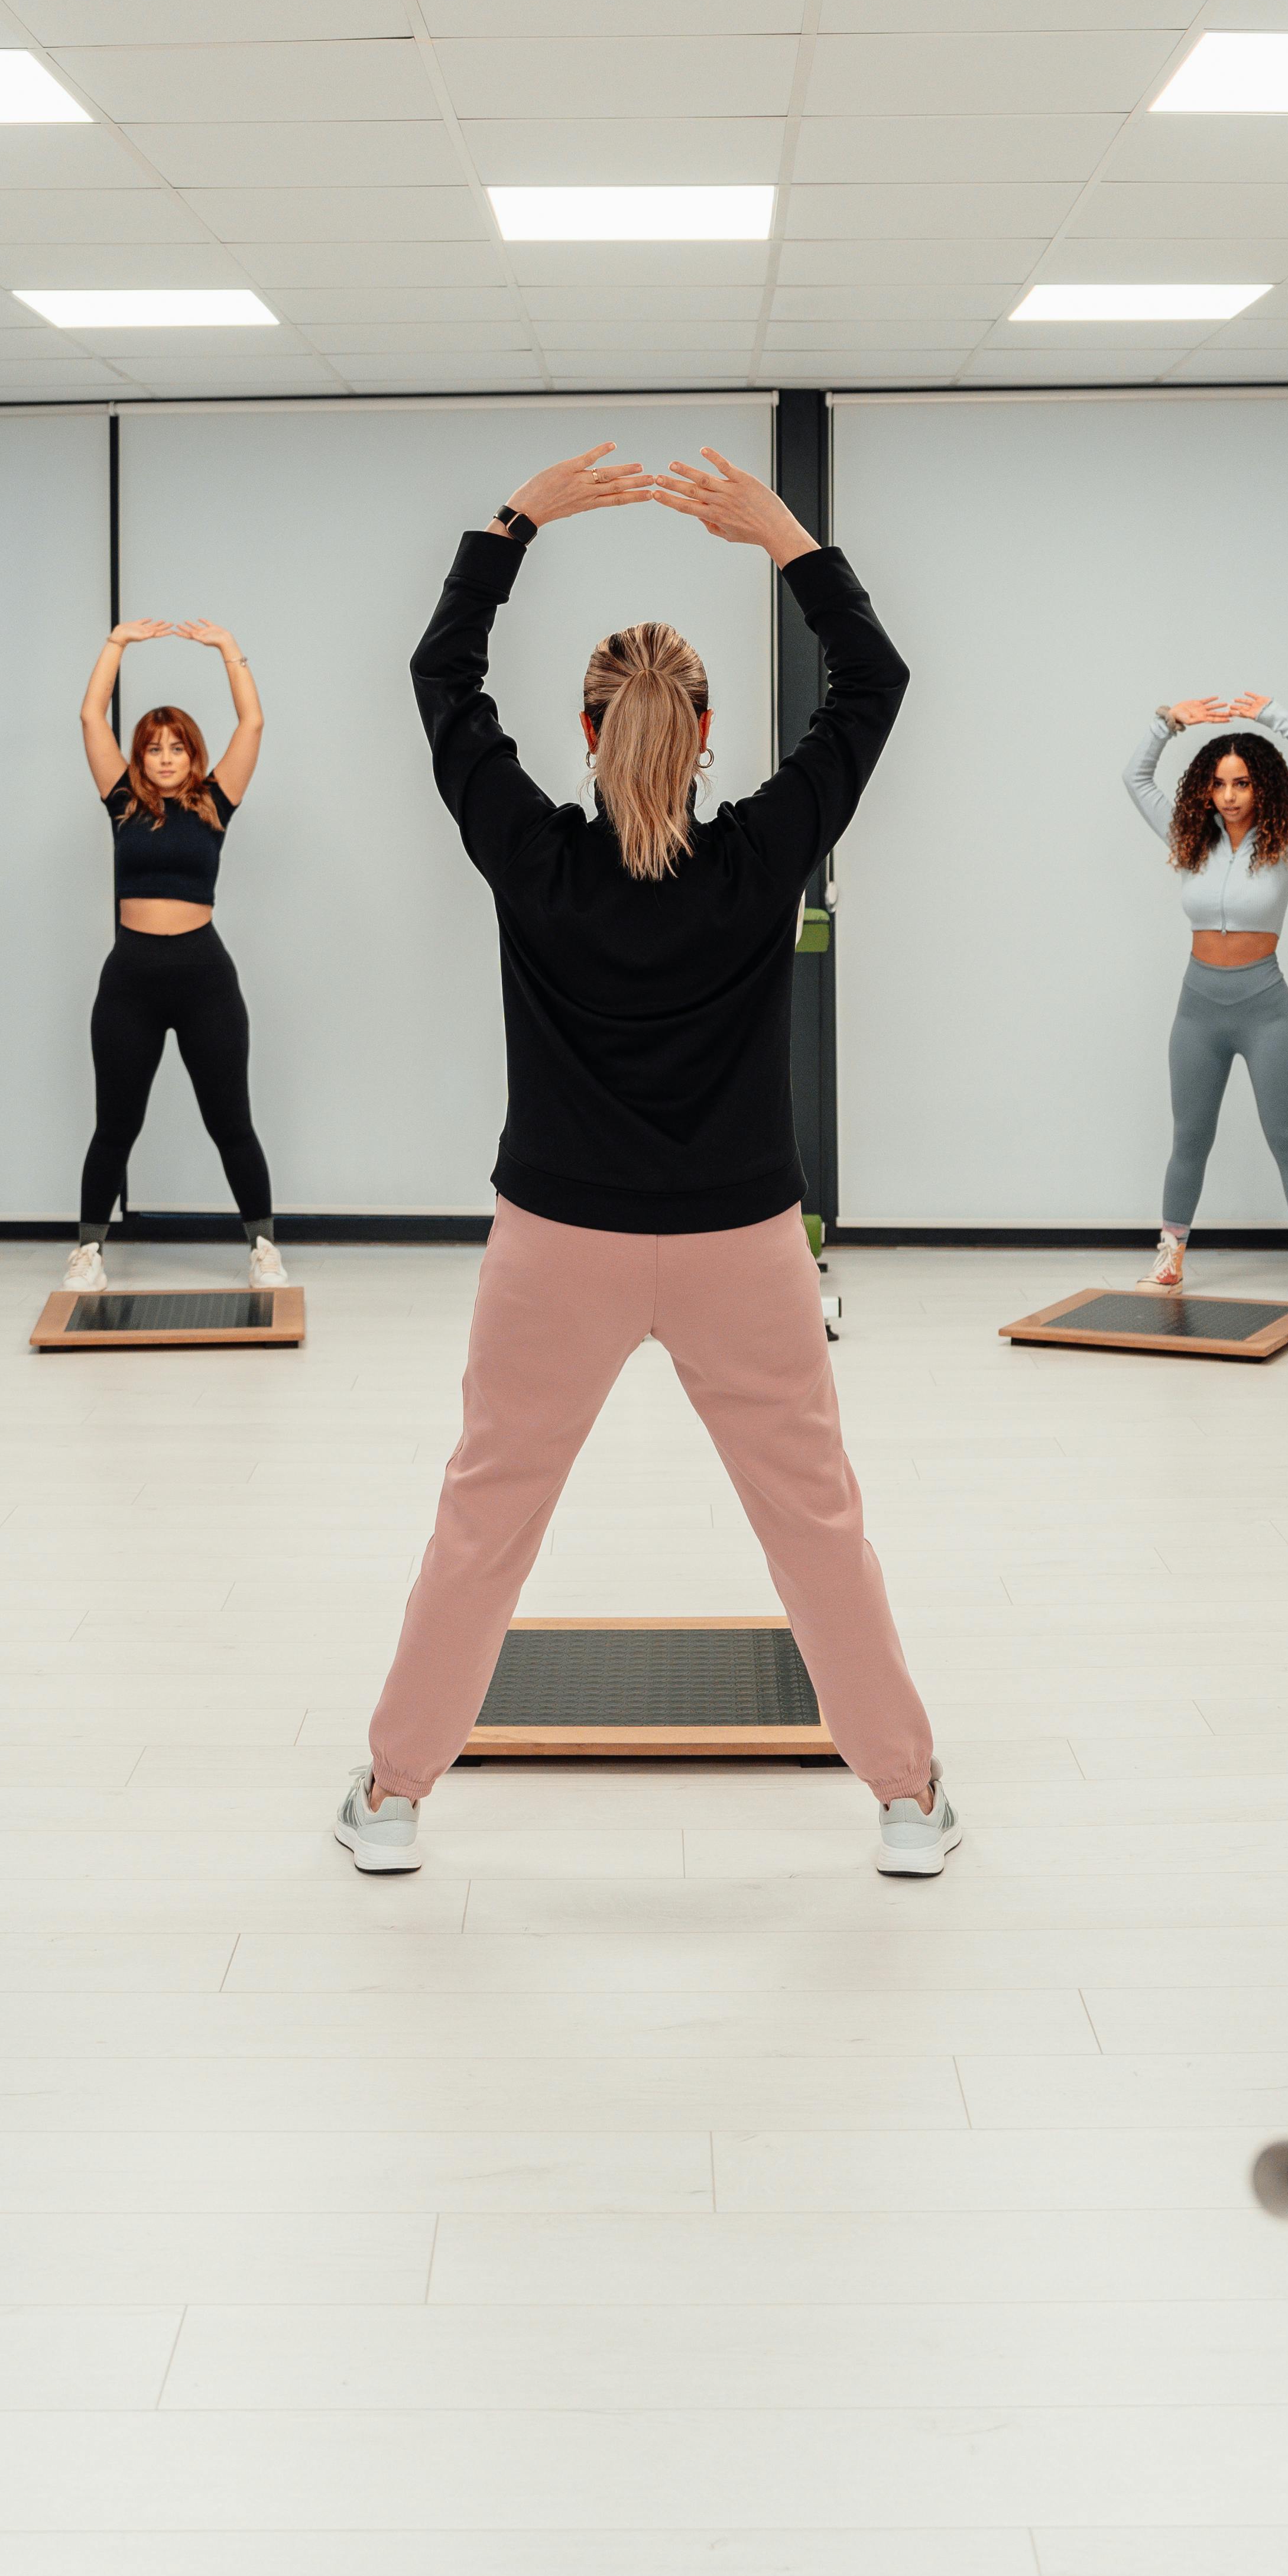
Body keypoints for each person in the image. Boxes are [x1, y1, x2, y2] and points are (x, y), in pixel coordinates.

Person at [334, 442, 953, 1882]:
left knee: (483, 1523)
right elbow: (875, 685)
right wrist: (788, 539)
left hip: (556, 1243)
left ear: (585, 724)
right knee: (815, 1526)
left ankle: (392, 1798)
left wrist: (518, 522)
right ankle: (907, 1802)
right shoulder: (759, 859)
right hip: (744, 1245)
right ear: (710, 726)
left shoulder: (531, 857)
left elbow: (440, 679)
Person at [66, 615, 284, 1295]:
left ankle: (263, 1249)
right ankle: (86, 1253)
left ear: (194, 756)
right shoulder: (123, 801)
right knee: (115, 1126)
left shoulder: (216, 803)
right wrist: (116, 645)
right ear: (141, 757)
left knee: (231, 1123)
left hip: (203, 980)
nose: (164, 757)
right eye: (154, 747)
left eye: (177, 747)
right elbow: (88, 716)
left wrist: (227, 649)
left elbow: (251, 724)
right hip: (129, 979)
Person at [1122, 691, 1288, 1302]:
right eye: (1218, 784)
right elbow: (1134, 776)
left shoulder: (1287, 843)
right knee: (1188, 1137)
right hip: (1197, 1009)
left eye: (1242, 783)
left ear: (1262, 787)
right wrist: (1167, 723)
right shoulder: (1191, 839)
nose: (1229, 796)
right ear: (1204, 790)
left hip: (1264, 1009)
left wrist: (1274, 716)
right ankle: (1170, 1254)